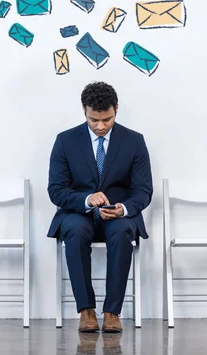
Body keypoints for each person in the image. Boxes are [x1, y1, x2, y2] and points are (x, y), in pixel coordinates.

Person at [47, 82, 152, 333]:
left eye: (107, 119)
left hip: (118, 216)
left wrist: (124, 209)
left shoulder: (134, 141)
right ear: (84, 110)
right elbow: (56, 190)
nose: (101, 126)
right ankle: (86, 311)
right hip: (78, 214)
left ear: (116, 109)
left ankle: (112, 312)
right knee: (74, 230)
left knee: (122, 231)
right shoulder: (65, 141)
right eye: (94, 119)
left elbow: (143, 191)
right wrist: (86, 199)